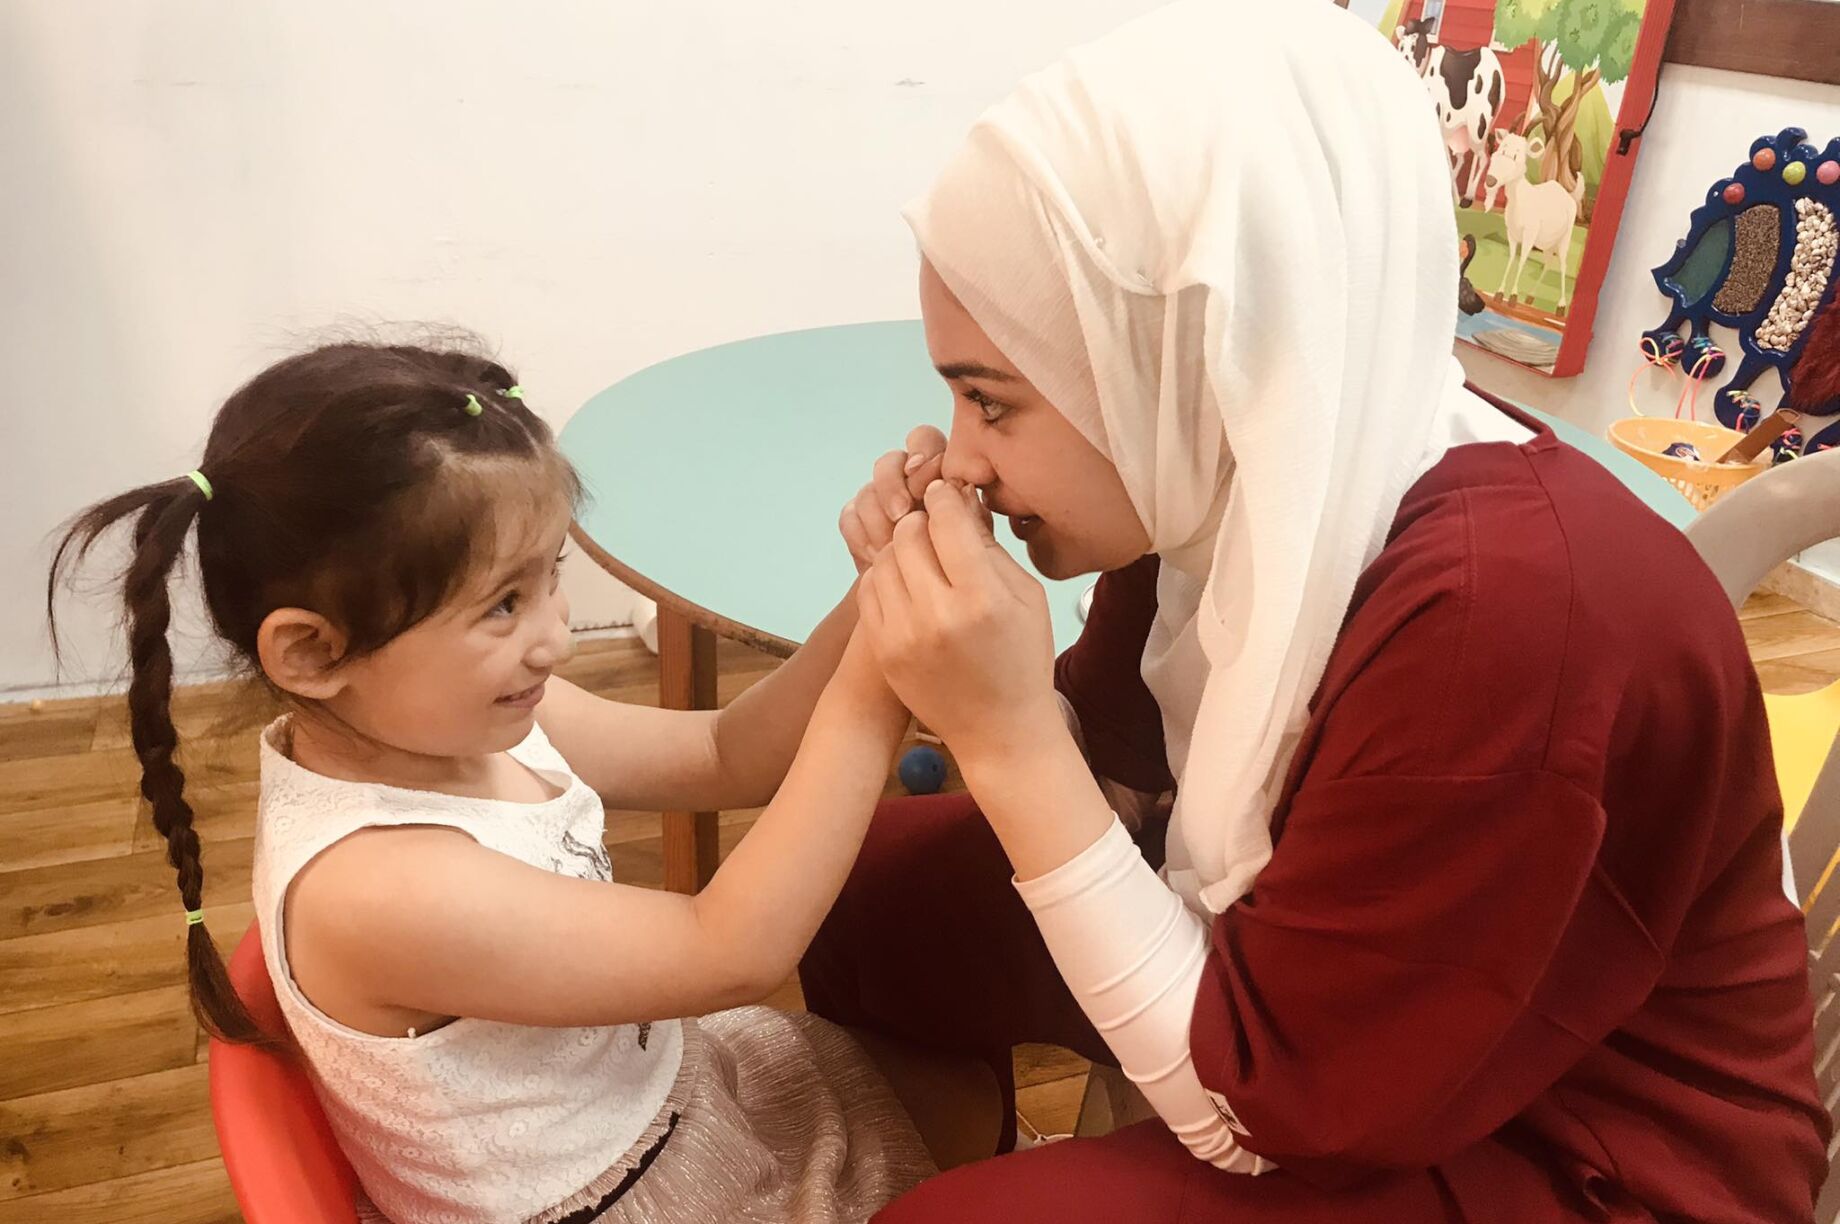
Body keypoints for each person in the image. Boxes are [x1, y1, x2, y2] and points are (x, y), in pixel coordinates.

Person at [805, 2, 1829, 1219]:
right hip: (1363, 1013)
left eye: (993, 402)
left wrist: (1003, 737)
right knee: (859, 902)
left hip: (1593, 1147)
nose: (962, 457)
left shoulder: (1502, 617)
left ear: (1179, 350)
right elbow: (1116, 782)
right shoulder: (1225, 465)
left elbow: (1262, 1114)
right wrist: (974, 684)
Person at [47, 340, 940, 1224]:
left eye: (551, 577)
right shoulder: (377, 885)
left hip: (655, 1091)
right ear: (314, 653)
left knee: (948, 1083)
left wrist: (876, 590)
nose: (556, 637)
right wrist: (879, 679)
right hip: (617, 1195)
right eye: (504, 604)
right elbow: (733, 952)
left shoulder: (476, 721)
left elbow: (724, 754)